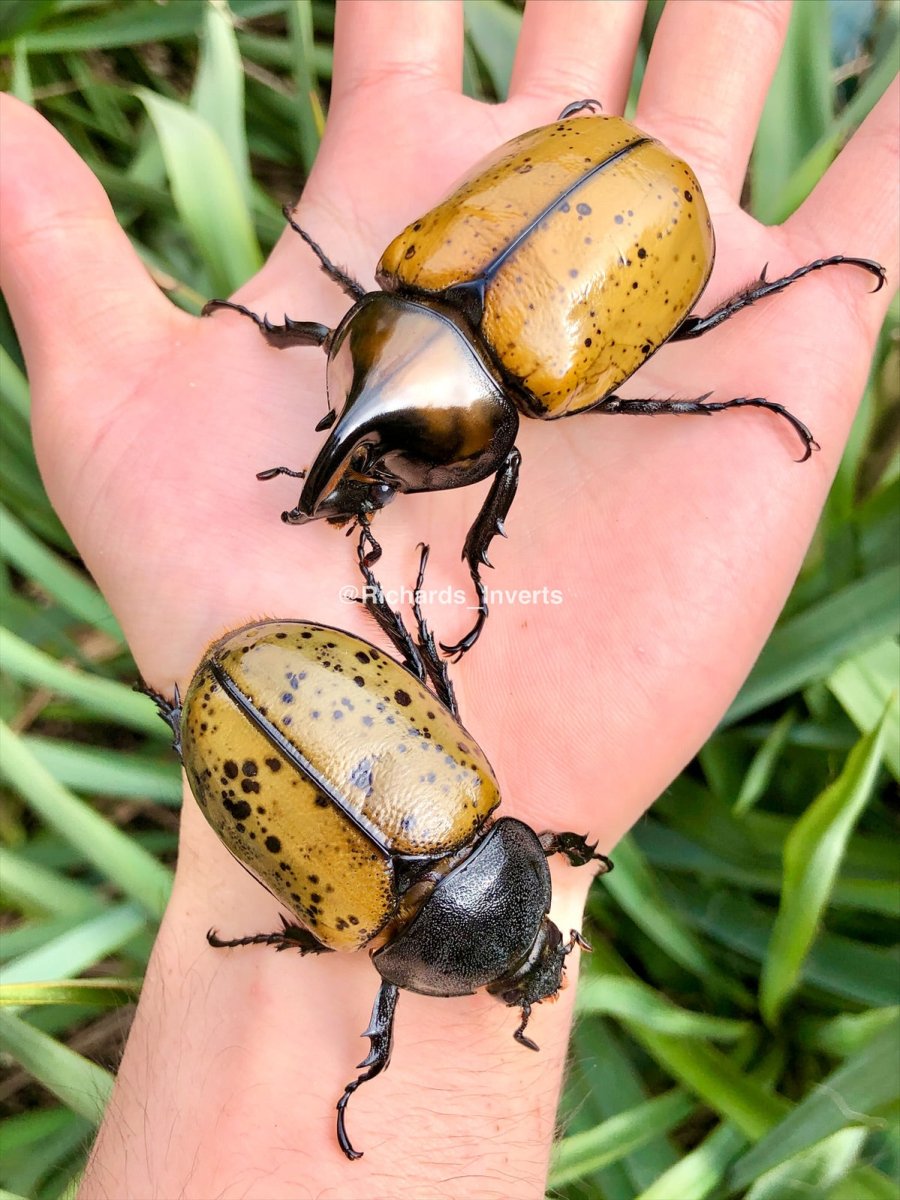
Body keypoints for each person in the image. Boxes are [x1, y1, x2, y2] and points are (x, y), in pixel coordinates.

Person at [2, 2, 896, 1195]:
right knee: (636, 391)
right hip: (301, 668)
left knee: (628, 392)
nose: (350, 462)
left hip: (559, 247)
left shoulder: (472, 796)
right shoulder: (380, 899)